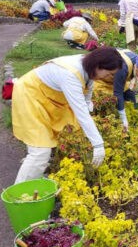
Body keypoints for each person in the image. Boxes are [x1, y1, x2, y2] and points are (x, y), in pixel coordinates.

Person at [11, 47, 123, 183]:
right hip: (29, 95)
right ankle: (20, 195)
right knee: (40, 151)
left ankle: (36, 173)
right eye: (110, 74)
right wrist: (98, 145)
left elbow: (88, 89)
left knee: (71, 129)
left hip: (46, 97)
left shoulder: (89, 67)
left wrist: (88, 103)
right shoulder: (70, 75)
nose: (109, 78)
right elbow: (81, 113)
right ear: (99, 65)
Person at [96, 49, 138, 130]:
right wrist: (123, 120)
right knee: (109, 106)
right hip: (100, 80)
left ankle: (130, 126)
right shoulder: (122, 67)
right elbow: (118, 94)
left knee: (131, 102)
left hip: (117, 80)